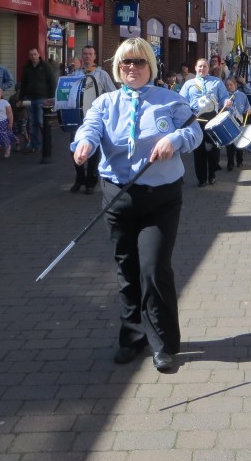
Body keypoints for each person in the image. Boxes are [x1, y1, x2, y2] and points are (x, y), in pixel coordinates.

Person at [71, 37, 201, 372]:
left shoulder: (170, 100)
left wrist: (174, 139)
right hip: (119, 196)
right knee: (127, 270)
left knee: (154, 268)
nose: (132, 68)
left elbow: (194, 132)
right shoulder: (105, 103)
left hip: (161, 196)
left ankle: (163, 343)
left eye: (139, 62)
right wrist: (83, 144)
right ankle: (132, 336)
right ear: (118, 67)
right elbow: (90, 127)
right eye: (126, 62)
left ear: (150, 66)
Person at [72, 45, 117, 194]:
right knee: (76, 147)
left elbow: (112, 94)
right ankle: (79, 178)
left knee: (93, 150)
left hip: (96, 118)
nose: (87, 56)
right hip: (78, 117)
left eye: (90, 54)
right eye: (84, 54)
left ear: (95, 56)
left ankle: (91, 181)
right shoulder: (75, 74)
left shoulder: (101, 74)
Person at [178, 57, 229, 186]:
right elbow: (181, 101)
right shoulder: (189, 84)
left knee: (214, 148)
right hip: (196, 119)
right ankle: (202, 178)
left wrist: (227, 102)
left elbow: (224, 97)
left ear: (208, 68)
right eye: (199, 66)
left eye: (204, 66)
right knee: (199, 150)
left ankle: (212, 173)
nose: (202, 69)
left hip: (212, 118)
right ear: (195, 68)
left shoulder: (216, 82)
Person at [17, 47, 56, 156]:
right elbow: (23, 84)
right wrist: (21, 98)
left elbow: (52, 81)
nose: (33, 56)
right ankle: (35, 146)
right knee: (32, 123)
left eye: (35, 54)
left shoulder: (45, 66)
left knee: (40, 121)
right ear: (29, 56)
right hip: (29, 98)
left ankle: (48, 142)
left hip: (42, 98)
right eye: (31, 55)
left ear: (38, 54)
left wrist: (51, 97)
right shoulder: (27, 68)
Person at [223, 76, 251, 171]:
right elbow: (219, 107)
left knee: (239, 142)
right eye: (227, 85)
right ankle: (230, 163)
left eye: (231, 85)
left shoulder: (242, 95)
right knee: (230, 143)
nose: (229, 87)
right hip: (228, 120)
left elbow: (247, 105)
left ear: (236, 85)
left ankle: (240, 160)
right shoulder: (224, 96)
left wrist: (248, 109)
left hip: (239, 120)